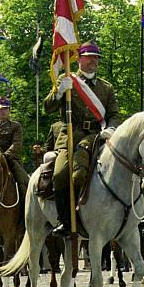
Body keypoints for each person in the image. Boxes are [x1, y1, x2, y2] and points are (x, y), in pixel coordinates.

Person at [43, 42, 121, 238]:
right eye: (90, 57)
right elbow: (47, 107)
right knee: (60, 174)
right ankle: (65, 220)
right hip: (70, 135)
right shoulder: (67, 79)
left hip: (97, 136)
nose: (94, 60)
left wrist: (112, 128)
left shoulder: (106, 87)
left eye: (96, 57)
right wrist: (59, 92)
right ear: (79, 59)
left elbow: (113, 114)